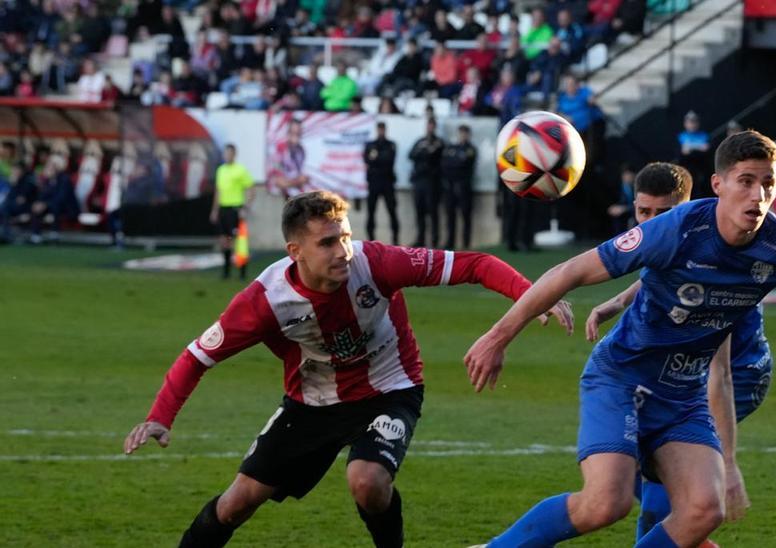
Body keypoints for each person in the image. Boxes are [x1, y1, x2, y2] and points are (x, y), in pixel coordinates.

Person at [463, 130, 776, 547]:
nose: (758, 195)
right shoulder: (677, 228)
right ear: (719, 184)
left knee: (705, 510)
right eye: (745, 182)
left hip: (683, 396)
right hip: (622, 377)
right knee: (606, 504)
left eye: (767, 184)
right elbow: (573, 270)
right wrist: (499, 335)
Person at [123, 190, 572, 548]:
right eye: (327, 242)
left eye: (345, 237)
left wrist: (530, 296)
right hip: (312, 404)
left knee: (367, 481)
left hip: (390, 389)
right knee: (236, 505)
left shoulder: (376, 263)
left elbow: (475, 264)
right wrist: (161, 417)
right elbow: (197, 357)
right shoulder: (265, 301)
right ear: (294, 250)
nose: (342, 251)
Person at [583, 161, 770, 543]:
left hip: (735, 371)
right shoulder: (683, 238)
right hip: (683, 371)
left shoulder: (720, 243)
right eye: (644, 212)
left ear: (686, 208)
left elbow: (721, 374)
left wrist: (730, 463)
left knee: (658, 483)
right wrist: (617, 302)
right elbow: (660, 272)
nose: (651, 223)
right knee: (641, 474)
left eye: (662, 214)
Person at [210, 144, 255, 280]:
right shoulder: (221, 170)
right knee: (224, 240)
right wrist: (214, 210)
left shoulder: (240, 170)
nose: (227, 156)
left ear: (234, 154)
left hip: (235, 209)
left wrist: (245, 207)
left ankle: (242, 272)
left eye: (229, 153)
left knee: (238, 242)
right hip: (223, 209)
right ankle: (226, 271)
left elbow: (251, 190)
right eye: (225, 153)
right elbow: (218, 191)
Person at [408, 117, 445, 248]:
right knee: (420, 212)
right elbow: (411, 155)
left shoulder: (439, 142)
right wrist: (424, 150)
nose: (430, 128)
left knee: (433, 212)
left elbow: (437, 157)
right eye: (428, 125)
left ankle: (434, 241)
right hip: (419, 181)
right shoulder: (421, 141)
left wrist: (427, 153)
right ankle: (420, 239)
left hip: (432, 182)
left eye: (432, 126)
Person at [442, 124, 477, 249]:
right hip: (451, 187)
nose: (462, 136)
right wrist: (456, 162)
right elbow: (445, 164)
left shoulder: (471, 149)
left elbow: (464, 164)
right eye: (460, 133)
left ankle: (466, 243)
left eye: (464, 133)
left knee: (465, 216)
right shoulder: (452, 148)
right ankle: (450, 242)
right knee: (450, 215)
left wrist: (455, 162)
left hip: (464, 187)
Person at [363, 121, 399, 244]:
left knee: (392, 211)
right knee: (371, 212)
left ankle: (395, 239)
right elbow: (367, 159)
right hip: (373, 183)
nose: (381, 132)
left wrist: (376, 157)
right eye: (379, 129)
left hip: (387, 182)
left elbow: (389, 160)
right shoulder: (370, 144)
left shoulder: (391, 144)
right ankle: (371, 240)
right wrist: (378, 158)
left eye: (383, 129)